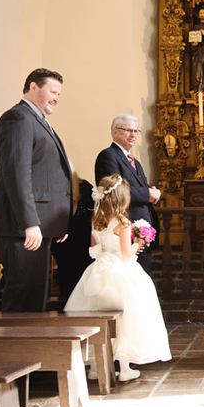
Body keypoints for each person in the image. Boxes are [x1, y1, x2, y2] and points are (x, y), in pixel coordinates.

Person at [65, 174, 171, 381]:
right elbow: (125, 254)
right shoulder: (122, 222)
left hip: (97, 273)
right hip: (120, 275)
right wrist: (139, 241)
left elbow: (94, 248)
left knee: (96, 316)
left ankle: (95, 367)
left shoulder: (96, 221)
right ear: (122, 198)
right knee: (125, 320)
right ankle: (124, 369)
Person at [0, 68, 72, 312]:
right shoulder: (18, 118)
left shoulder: (37, 120)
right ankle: (14, 348)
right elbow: (17, 174)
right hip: (22, 226)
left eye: (59, 93)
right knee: (23, 294)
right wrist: (30, 223)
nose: (56, 98)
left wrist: (55, 222)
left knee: (35, 294)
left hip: (37, 223)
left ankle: (27, 347)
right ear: (33, 87)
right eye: (52, 91)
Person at [95, 114, 160, 275]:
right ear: (115, 132)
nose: (133, 135)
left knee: (141, 277)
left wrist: (150, 192)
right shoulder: (108, 156)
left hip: (140, 230)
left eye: (136, 131)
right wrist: (148, 193)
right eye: (128, 130)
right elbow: (115, 191)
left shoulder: (134, 161)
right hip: (123, 228)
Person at [51, 168, 94, 298]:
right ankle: (65, 307)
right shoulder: (54, 189)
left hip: (83, 240)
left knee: (83, 277)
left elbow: (93, 213)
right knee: (66, 276)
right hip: (62, 241)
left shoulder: (85, 187)